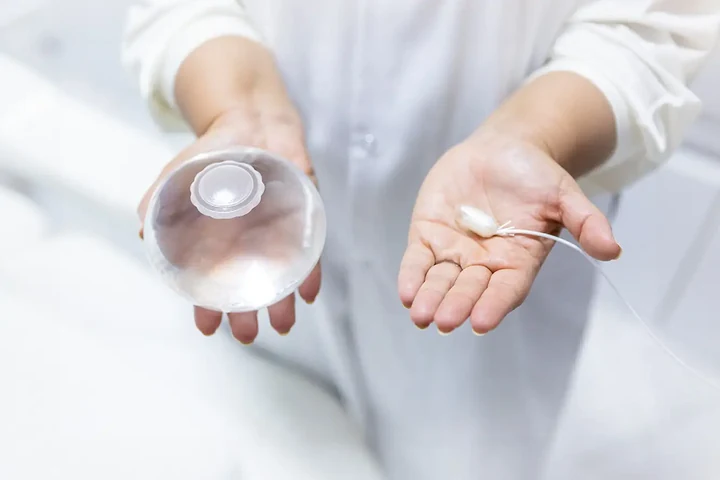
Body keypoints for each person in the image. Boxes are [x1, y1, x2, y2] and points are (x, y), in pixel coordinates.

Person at [123, 2, 720, 479]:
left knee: (457, 457)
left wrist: (537, 132)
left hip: (480, 268)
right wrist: (237, 100)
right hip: (261, 241)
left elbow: (653, 25)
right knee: (285, 438)